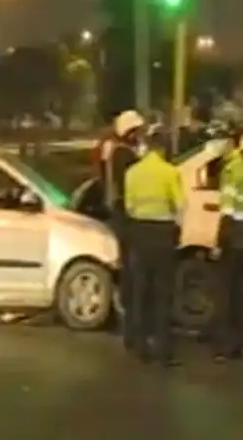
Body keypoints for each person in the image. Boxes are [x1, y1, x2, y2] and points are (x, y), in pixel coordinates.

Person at [122, 127, 183, 367]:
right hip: (163, 234)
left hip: (139, 232)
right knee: (163, 293)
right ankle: (163, 348)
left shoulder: (132, 173)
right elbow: (180, 207)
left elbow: (129, 207)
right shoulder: (170, 172)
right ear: (164, 148)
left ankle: (139, 347)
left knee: (140, 291)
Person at [213, 129, 243, 362]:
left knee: (226, 292)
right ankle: (242, 342)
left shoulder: (231, 169)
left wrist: (219, 241)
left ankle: (226, 345)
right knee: (241, 290)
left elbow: (228, 211)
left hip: (233, 235)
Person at [102, 109, 145, 347]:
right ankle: (128, 318)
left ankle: (128, 316)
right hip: (125, 214)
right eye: (137, 131)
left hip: (121, 212)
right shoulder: (123, 155)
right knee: (130, 266)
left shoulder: (117, 151)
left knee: (129, 264)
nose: (140, 135)